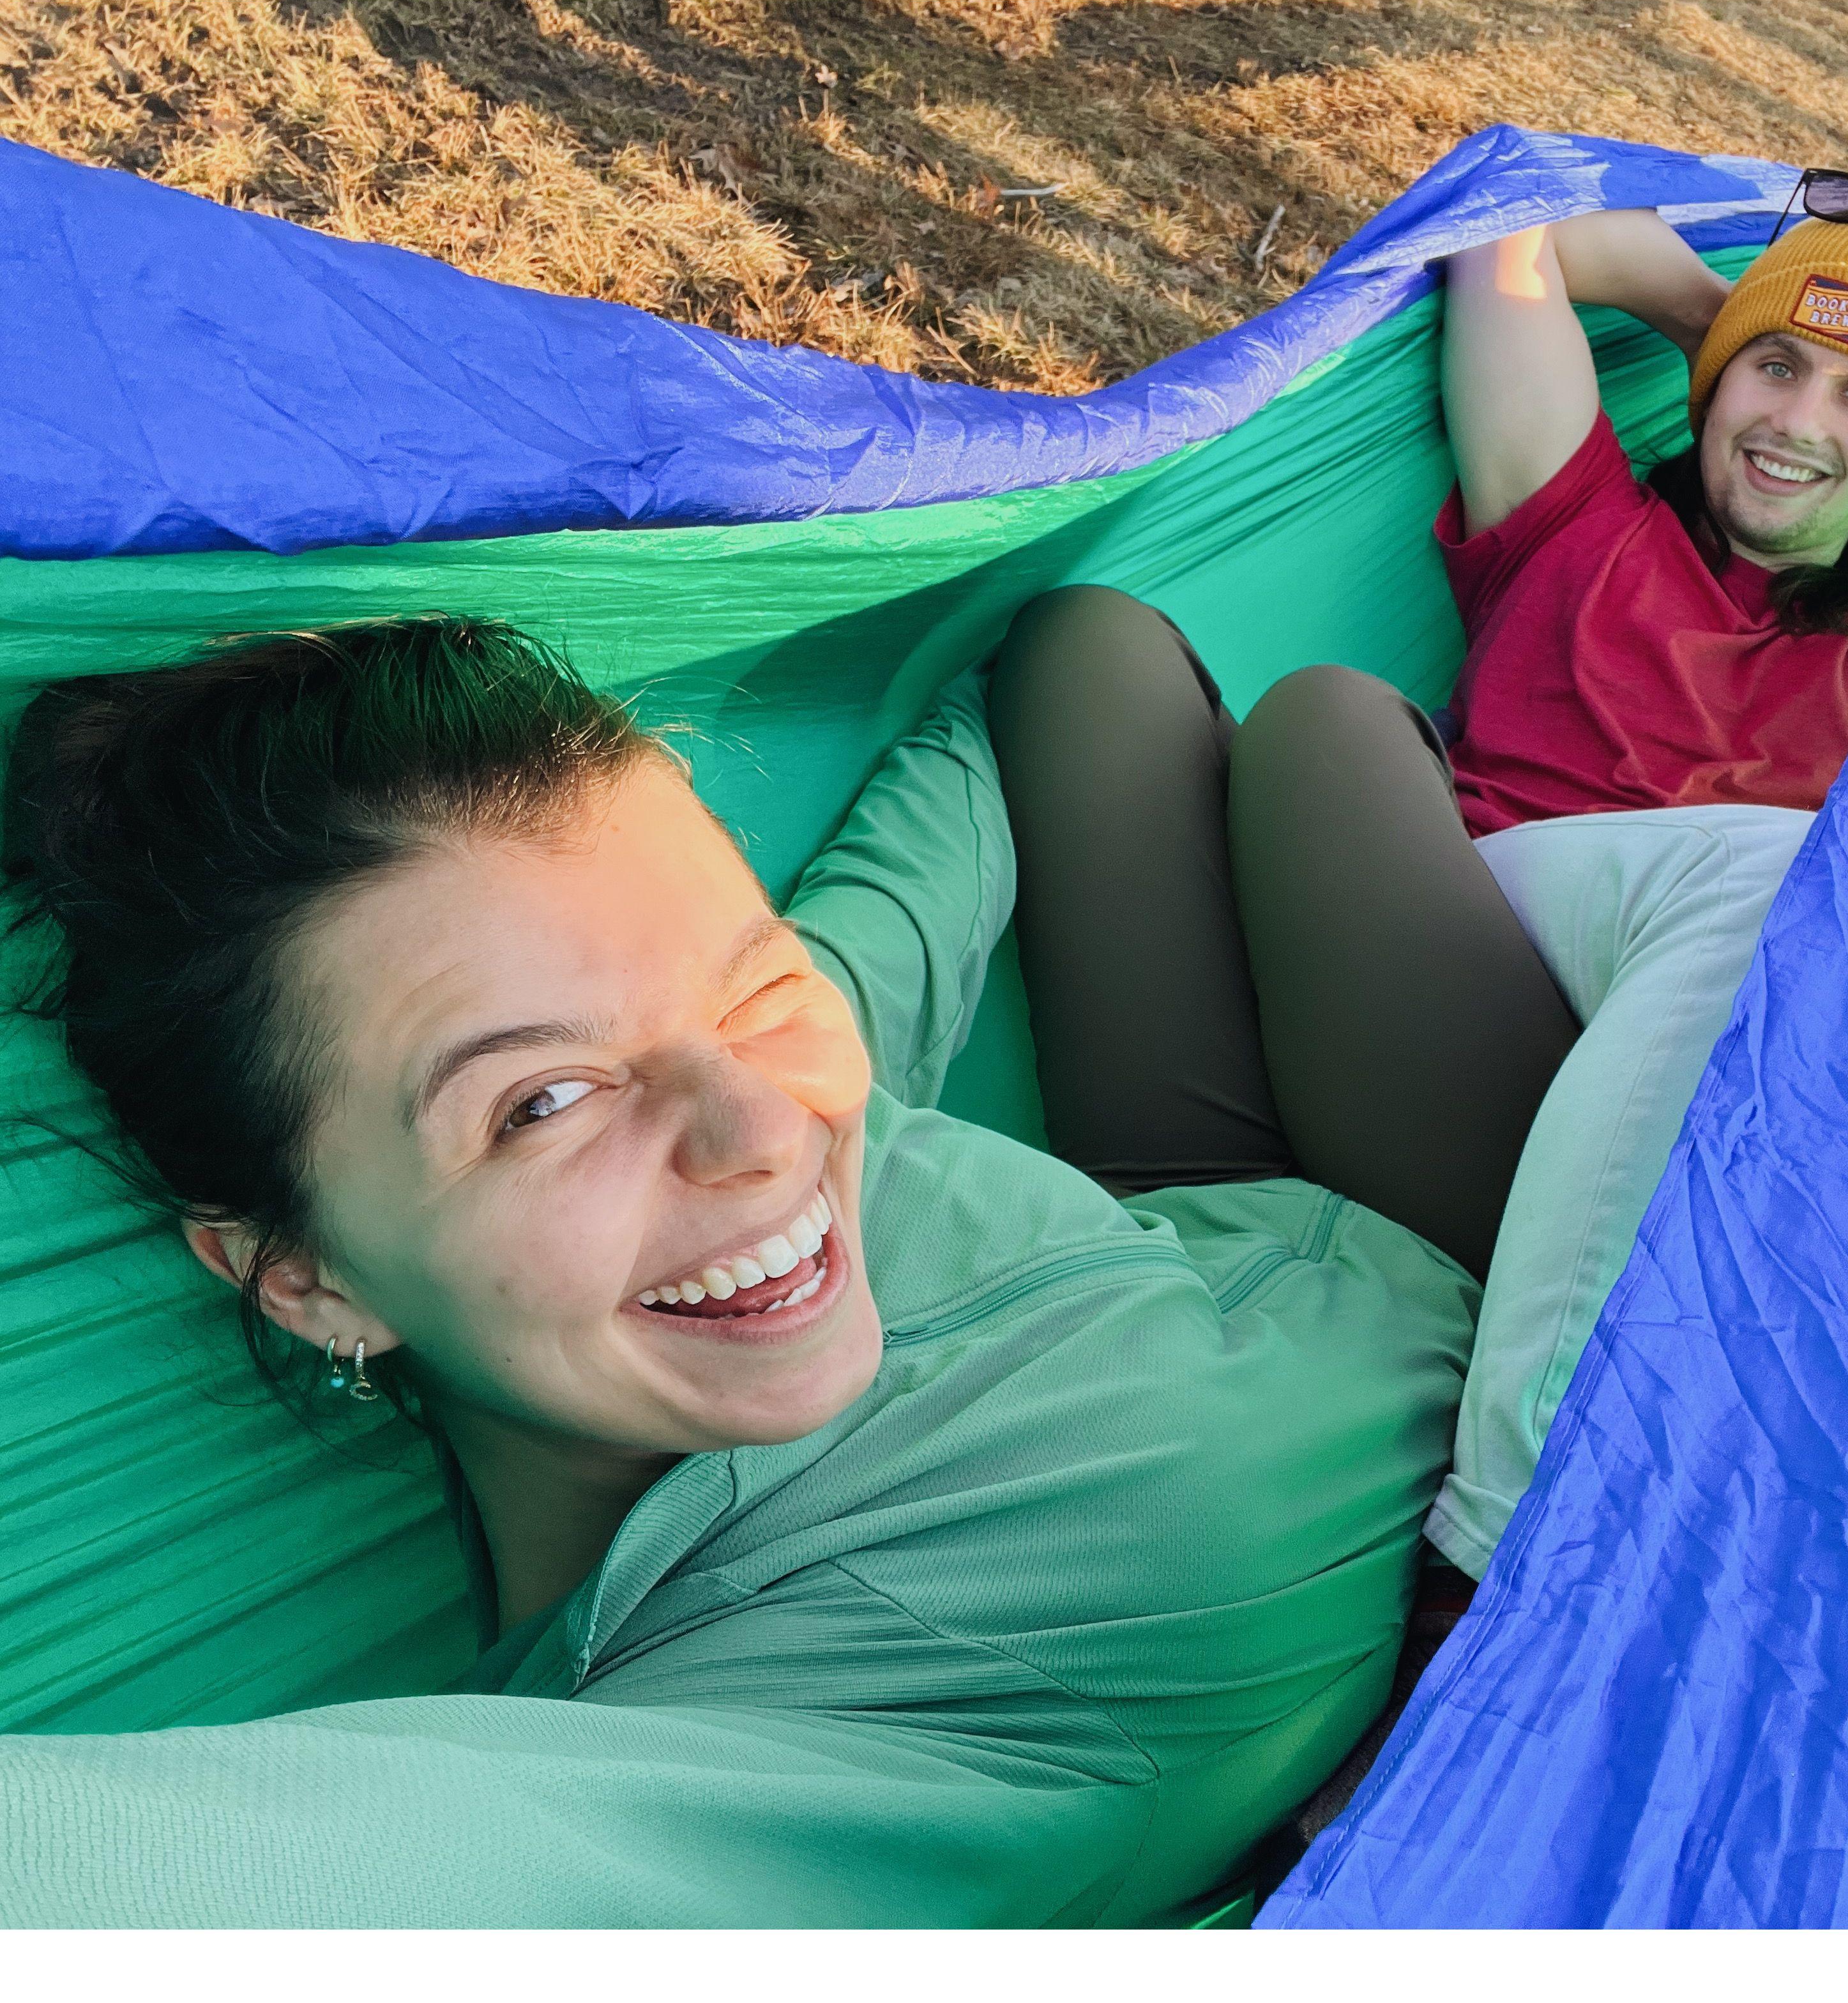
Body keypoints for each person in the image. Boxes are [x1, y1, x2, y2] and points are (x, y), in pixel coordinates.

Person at [0, 604, 1573, 1928]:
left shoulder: (767, 1114)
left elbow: (890, 919)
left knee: (1077, 646)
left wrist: (1015, 578)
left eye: (754, 985)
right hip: (1479, 1288)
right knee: (1333, 735)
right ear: (303, 1279)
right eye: (541, 1102)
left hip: (1180, 1214)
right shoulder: (770, 1731)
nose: (766, 1130)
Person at [1415, 178, 1848, 1579]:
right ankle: (1491, 1551)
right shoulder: (1578, 519)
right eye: (1778, 373)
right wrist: (1716, 321)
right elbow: (1512, 237)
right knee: (1780, 875)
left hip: (1719, 1104)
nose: (1801, 423)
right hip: (1481, 977)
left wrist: (1771, 347)